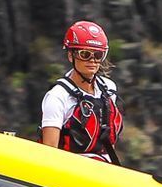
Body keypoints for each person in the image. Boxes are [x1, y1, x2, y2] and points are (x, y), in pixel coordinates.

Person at [40, 20, 123, 162]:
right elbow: (49, 152)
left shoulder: (109, 89)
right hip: (71, 171)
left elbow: (109, 141)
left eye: (97, 55)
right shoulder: (57, 97)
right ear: (71, 55)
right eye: (85, 54)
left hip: (104, 169)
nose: (92, 60)